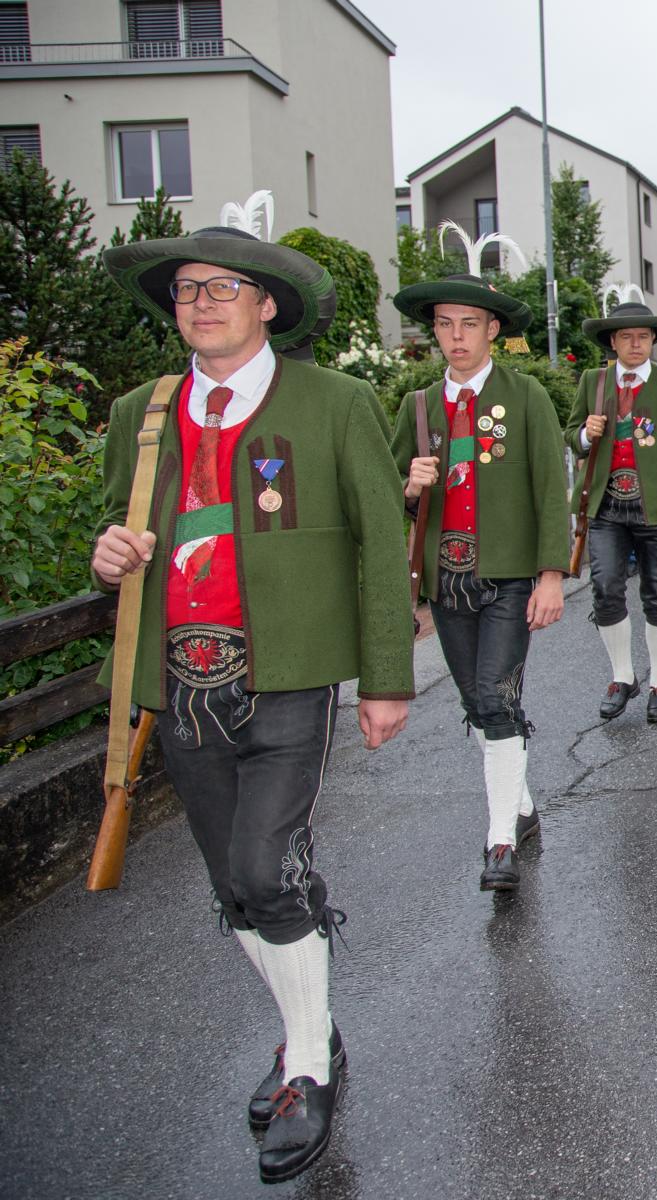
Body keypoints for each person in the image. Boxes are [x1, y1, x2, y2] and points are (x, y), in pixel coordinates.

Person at [93, 196, 413, 1184]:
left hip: (286, 673)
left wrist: (386, 679)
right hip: (179, 678)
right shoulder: (138, 417)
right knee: (237, 885)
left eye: (222, 287)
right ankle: (308, 1026)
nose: (201, 303)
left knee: (266, 867)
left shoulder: (336, 404)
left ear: (267, 305)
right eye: (187, 290)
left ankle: (308, 1069)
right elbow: (117, 534)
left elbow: (376, 546)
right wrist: (111, 554)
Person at [389, 222, 569, 891]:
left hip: (509, 579)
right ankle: (518, 808)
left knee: (495, 697)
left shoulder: (525, 400)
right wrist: (409, 485)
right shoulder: (417, 407)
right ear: (432, 332)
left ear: (494, 330)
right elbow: (386, 496)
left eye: (470, 323)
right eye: (445, 324)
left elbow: (552, 492)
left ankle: (499, 843)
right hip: (447, 579)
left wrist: (550, 575)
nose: (457, 336)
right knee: (479, 704)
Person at [566, 291, 657, 724]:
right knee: (607, 589)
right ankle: (622, 677)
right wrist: (585, 435)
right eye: (626, 337)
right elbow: (571, 434)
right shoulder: (592, 383)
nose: (635, 344)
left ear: (653, 341)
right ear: (612, 342)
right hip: (606, 505)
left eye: (643, 337)